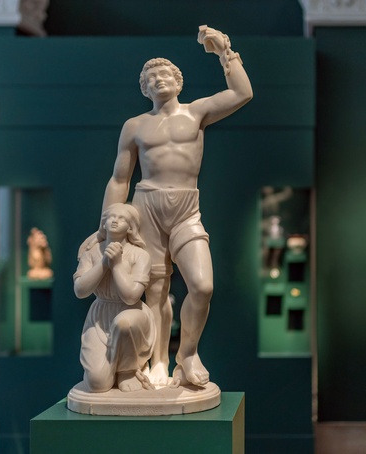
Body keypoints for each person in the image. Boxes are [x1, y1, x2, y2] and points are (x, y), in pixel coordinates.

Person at [84, 26, 253, 387]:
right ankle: (157, 361)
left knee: (202, 286)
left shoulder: (197, 113)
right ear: (144, 89)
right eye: (151, 77)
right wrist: (107, 224)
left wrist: (226, 51)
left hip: (186, 208)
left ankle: (187, 355)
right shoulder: (135, 126)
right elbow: (119, 179)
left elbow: (242, 92)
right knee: (155, 290)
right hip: (146, 205)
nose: (158, 79)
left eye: (164, 74)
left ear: (178, 81)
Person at [74, 203, 156, 392]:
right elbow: (80, 291)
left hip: (132, 313)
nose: (115, 220)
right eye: (110, 217)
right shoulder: (92, 252)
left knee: (123, 323)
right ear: (103, 223)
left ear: (130, 227)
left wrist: (117, 265)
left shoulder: (140, 255)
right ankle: (108, 371)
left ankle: (127, 370)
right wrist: (104, 263)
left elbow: (130, 297)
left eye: (122, 218)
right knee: (97, 384)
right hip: (100, 316)